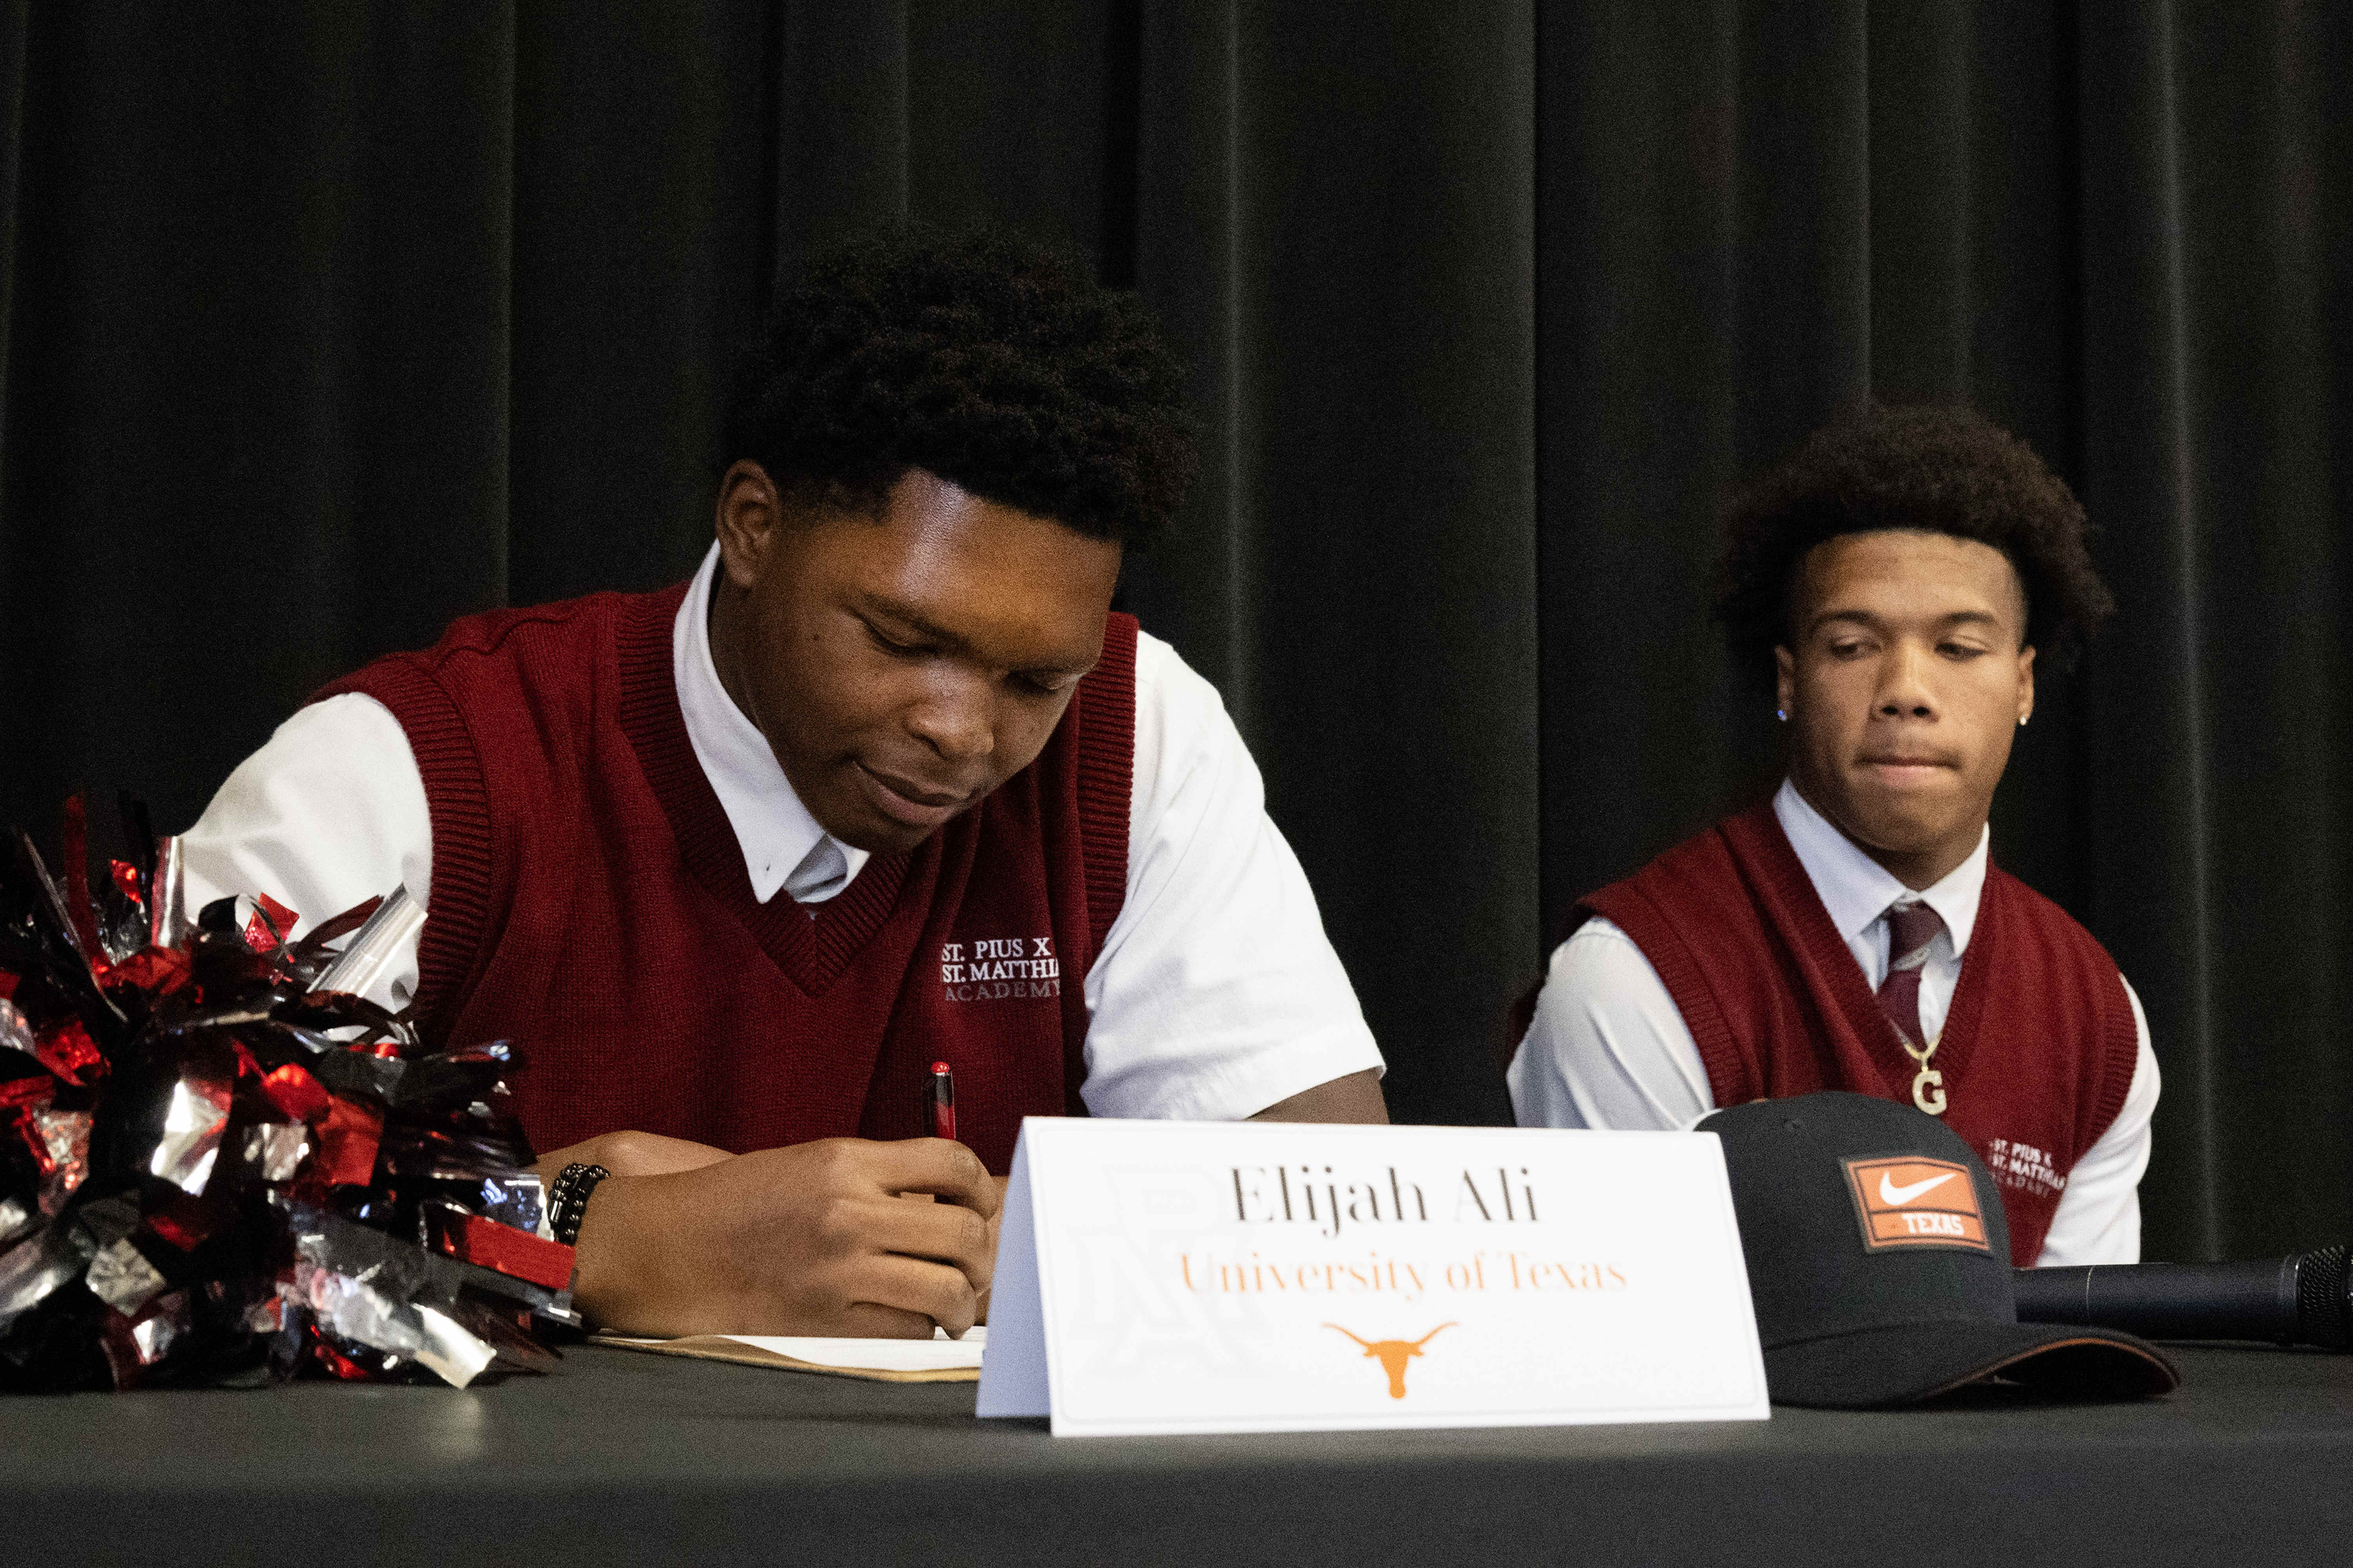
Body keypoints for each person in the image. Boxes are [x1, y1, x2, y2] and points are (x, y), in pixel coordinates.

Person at [181, 228, 1386, 1338]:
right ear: (754, 524)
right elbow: (109, 1209)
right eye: (906, 642)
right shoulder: (418, 762)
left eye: (1034, 680)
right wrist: (588, 1234)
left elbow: (1339, 1222)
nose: (964, 733)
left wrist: (983, 1243)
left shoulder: (1137, 726)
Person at [1508, 404, 2157, 1268]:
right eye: (1852, 646)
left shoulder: (2096, 1014)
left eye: (1960, 648)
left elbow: (2076, 1365)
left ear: (2025, 685)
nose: (1906, 690)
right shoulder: (1636, 979)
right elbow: (1644, 1369)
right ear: (1790, 680)